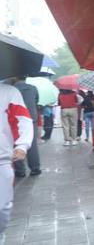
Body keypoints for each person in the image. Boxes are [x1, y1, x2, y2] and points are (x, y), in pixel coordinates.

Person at [0, 83, 32, 234]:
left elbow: (22, 118)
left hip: (2, 158)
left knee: (2, 207)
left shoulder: (8, 92)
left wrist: (22, 145)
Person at [10, 76, 41, 177]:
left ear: (14, 78)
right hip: (32, 118)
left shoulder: (11, 90)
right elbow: (36, 100)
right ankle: (35, 168)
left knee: (16, 143)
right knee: (32, 144)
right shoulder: (33, 88)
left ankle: (20, 170)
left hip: (16, 119)